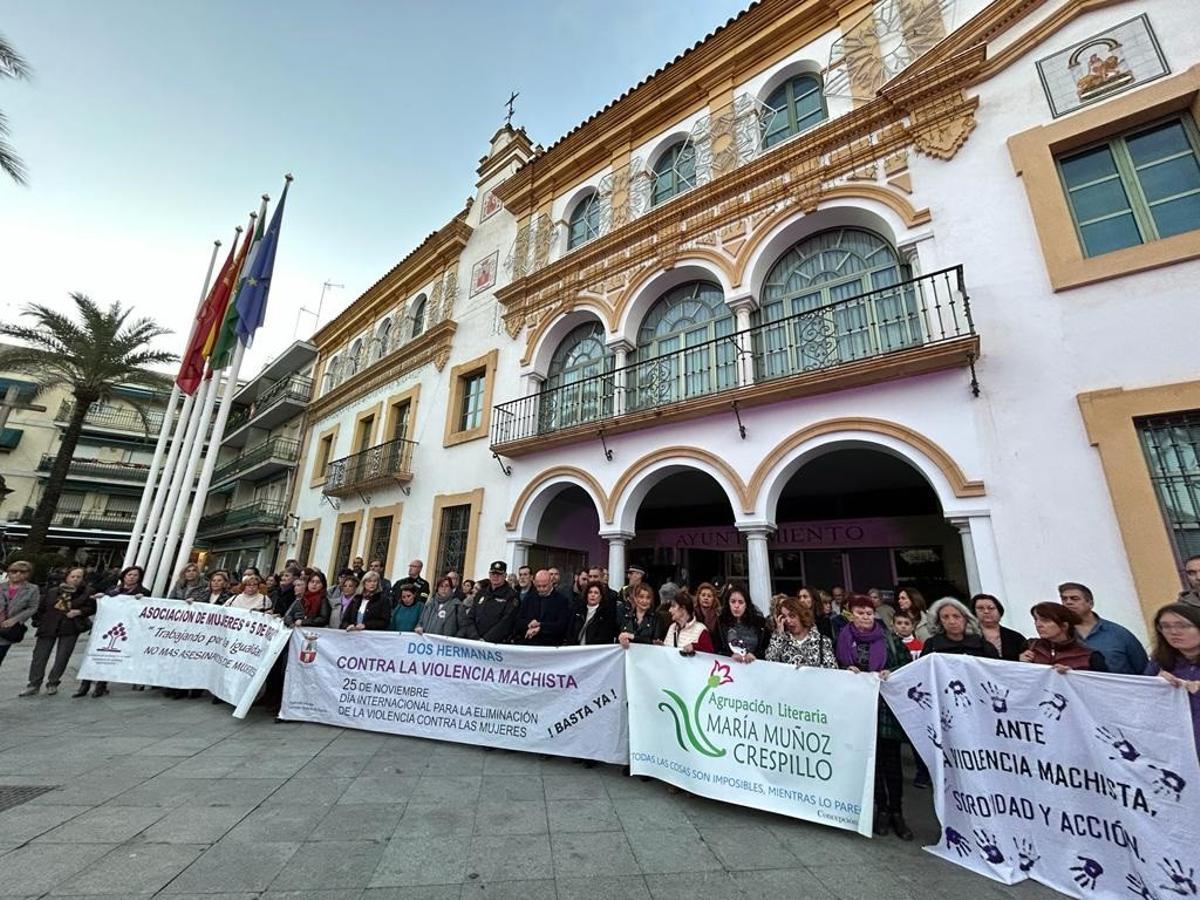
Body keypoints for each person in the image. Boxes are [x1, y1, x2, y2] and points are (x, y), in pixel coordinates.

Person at [836, 593, 913, 839]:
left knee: (892, 761)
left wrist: (892, 672)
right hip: (859, 710)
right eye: (860, 613)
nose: (865, 617)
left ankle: (897, 811)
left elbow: (907, 668)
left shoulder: (889, 640)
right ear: (852, 615)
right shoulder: (844, 639)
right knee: (873, 761)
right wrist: (846, 670)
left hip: (886, 708)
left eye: (869, 613)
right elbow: (834, 668)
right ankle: (881, 808)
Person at [74, 564, 149, 697]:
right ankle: (84, 685)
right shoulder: (113, 590)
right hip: (105, 628)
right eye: (129, 574)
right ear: (124, 576)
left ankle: (101, 685)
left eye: (135, 575)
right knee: (94, 656)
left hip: (125, 629)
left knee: (110, 657)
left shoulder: (143, 592)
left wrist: (141, 600)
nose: (132, 577)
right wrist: (101, 598)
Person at [21, 566, 95, 696]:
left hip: (70, 627)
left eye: (79, 577)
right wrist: (38, 621)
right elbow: (41, 607)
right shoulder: (53, 591)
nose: (75, 579)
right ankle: (34, 683)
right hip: (49, 625)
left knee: (62, 656)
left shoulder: (87, 592)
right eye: (73, 576)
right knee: (39, 656)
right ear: (66, 577)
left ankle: (53, 682)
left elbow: (91, 608)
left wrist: (79, 612)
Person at [1146, 603, 1200, 758]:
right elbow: (1138, 700)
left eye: (1182, 626)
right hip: (1178, 750)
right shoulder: (1159, 663)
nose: (1174, 632)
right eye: (1165, 627)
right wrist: (1155, 685)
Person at [1059, 582, 1148, 675]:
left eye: (1074, 599)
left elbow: (1144, 670)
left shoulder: (1119, 634)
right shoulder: (1060, 634)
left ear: (1090, 603)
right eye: (1064, 599)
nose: (1068, 602)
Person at [1019, 602, 1107, 672]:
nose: (1038, 625)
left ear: (1064, 625)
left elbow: (1103, 686)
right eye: (1035, 620)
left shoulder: (1089, 655)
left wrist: (1073, 676)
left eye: (1045, 621)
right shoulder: (1030, 646)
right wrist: (1020, 664)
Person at [764, 595, 835, 668]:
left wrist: (807, 669)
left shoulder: (822, 641)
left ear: (802, 615)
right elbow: (770, 664)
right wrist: (779, 635)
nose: (788, 621)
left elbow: (832, 671)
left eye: (792, 616)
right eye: (784, 617)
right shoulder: (781, 641)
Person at [920, 597, 999, 658]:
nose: (952, 621)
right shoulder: (932, 645)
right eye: (945, 617)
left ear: (966, 619)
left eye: (956, 616)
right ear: (939, 621)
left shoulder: (982, 645)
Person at [463, 561, 519, 643]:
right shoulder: (482, 592)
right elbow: (470, 617)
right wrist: (474, 637)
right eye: (493, 574)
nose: (495, 576)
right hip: (474, 641)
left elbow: (506, 622)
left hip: (495, 645)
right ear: (489, 574)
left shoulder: (511, 596)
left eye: (499, 574)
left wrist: (486, 639)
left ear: (505, 576)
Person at [516, 569, 572, 646]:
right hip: (530, 644)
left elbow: (562, 625)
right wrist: (529, 625)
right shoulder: (529, 598)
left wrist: (540, 627)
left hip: (550, 646)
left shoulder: (561, 600)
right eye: (538, 586)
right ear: (534, 583)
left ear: (551, 582)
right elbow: (518, 620)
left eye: (544, 586)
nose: (541, 589)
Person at [0, 560, 40, 668]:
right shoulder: (1, 586)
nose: (18, 574)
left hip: (7, 629)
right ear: (8, 572)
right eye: (14, 571)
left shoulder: (32, 589)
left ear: (28, 574)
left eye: (22, 572)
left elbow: (33, 607)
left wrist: (15, 620)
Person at [714, 584, 768, 660]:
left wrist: (755, 655)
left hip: (755, 667)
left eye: (740, 602)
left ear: (746, 604)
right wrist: (730, 656)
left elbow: (766, 649)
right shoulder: (721, 622)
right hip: (730, 668)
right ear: (728, 603)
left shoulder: (759, 622)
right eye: (733, 602)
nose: (736, 606)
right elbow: (716, 649)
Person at [971, 593, 1027, 661]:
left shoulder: (1015, 637)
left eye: (991, 608)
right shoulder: (969, 636)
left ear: (999, 612)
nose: (986, 611)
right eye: (980, 608)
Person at [568, 581, 618, 646]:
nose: (592, 595)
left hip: (595, 650)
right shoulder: (578, 610)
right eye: (590, 592)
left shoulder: (605, 614)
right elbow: (570, 630)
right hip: (576, 649)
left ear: (601, 596)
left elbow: (606, 635)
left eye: (596, 593)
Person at [618, 583, 658, 648]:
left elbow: (655, 642)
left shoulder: (656, 618)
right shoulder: (626, 617)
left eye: (648, 598)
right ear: (635, 598)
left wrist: (633, 637)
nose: (644, 601)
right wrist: (621, 639)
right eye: (641, 597)